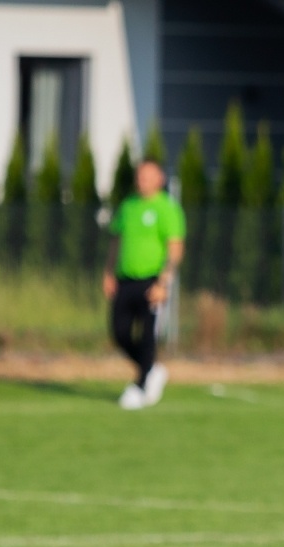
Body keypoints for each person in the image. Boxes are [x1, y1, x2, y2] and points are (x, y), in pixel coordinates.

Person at [104, 159, 184, 410]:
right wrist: (108, 272)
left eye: (148, 176)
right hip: (125, 280)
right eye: (140, 175)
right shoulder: (128, 206)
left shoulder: (167, 208)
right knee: (119, 332)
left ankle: (140, 386)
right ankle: (151, 370)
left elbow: (175, 249)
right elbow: (116, 241)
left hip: (152, 282)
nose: (143, 180)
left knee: (148, 336)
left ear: (160, 179)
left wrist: (164, 282)